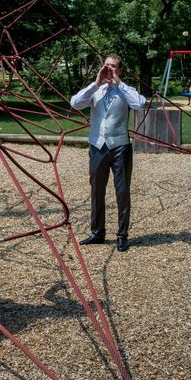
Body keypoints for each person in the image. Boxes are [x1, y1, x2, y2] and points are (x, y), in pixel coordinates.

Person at [70, 55, 146, 252]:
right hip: (97, 145)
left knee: (122, 192)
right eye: (107, 66)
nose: (110, 69)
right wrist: (96, 83)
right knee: (96, 190)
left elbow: (138, 104)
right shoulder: (95, 89)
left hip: (120, 146)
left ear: (119, 70)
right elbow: (75, 103)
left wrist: (118, 83)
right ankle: (97, 232)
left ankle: (122, 235)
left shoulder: (126, 90)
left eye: (114, 67)